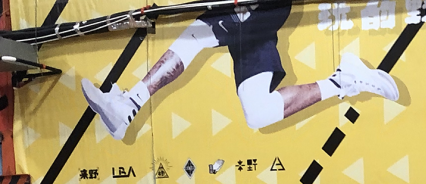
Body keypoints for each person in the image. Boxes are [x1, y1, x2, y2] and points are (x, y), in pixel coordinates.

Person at [80, 2, 399, 141]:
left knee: (196, 36)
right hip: (257, 14)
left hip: (260, 5)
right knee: (258, 113)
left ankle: (128, 105)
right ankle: (343, 81)